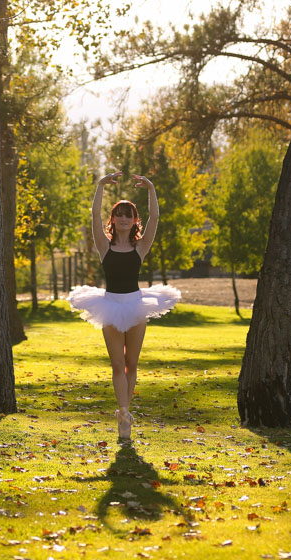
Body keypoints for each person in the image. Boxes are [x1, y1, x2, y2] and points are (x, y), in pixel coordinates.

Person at [67, 172, 181, 442]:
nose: (124, 219)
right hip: (110, 306)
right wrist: (100, 186)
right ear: (114, 219)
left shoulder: (140, 247)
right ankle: (124, 414)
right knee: (117, 365)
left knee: (132, 363)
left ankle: (125, 414)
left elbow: (155, 218)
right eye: (119, 214)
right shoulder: (104, 247)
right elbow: (94, 217)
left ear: (134, 221)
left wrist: (151, 188)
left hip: (136, 305)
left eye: (129, 215)